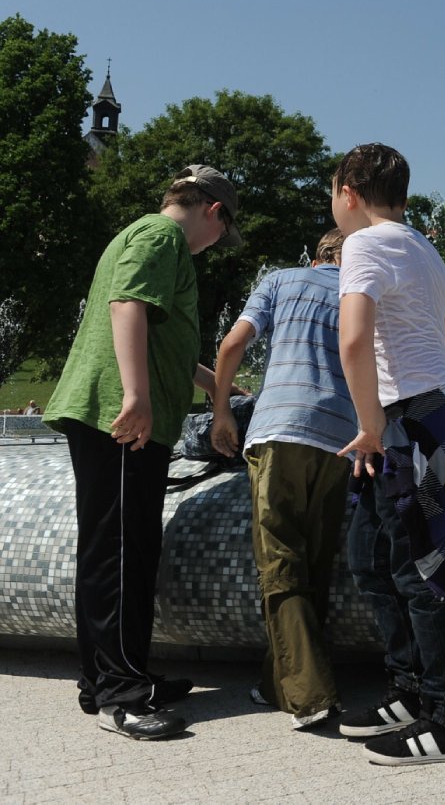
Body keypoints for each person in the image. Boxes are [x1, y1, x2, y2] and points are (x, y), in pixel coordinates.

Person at [43, 165, 241, 740]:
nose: (215, 246)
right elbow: (126, 305)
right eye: (221, 233)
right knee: (123, 551)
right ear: (212, 211)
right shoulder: (161, 237)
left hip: (117, 412)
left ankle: (106, 677)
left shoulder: (142, 237)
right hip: (123, 416)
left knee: (117, 546)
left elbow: (163, 336)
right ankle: (123, 693)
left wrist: (217, 386)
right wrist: (136, 397)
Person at [330, 143, 445, 765]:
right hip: (440, 409)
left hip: (409, 415)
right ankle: (410, 691)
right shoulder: (427, 250)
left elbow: (353, 341)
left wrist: (372, 427)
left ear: (349, 191)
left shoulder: (364, 245)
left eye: (333, 194)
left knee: (423, 571)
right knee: (373, 555)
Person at [210, 227, 356, 731]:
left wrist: (222, 410)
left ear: (316, 255)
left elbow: (232, 345)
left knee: (279, 562)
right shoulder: (362, 292)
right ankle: (278, 682)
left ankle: (310, 694)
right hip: (341, 438)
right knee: (314, 562)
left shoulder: (279, 281)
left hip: (281, 430)